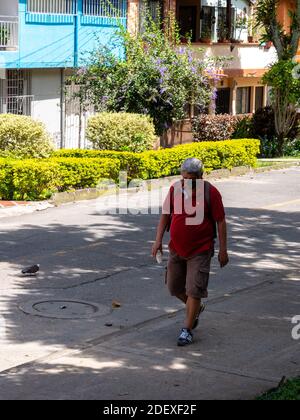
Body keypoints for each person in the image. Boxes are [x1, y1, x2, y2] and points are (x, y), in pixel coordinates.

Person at [152, 158, 229, 346]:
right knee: (174, 286)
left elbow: (220, 221)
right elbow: (165, 215)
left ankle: (187, 329)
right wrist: (158, 241)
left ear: (201, 177)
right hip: (177, 248)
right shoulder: (176, 189)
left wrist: (223, 250)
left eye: (192, 179)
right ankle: (195, 309)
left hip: (200, 250)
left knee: (194, 289)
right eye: (185, 179)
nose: (188, 183)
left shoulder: (211, 192)